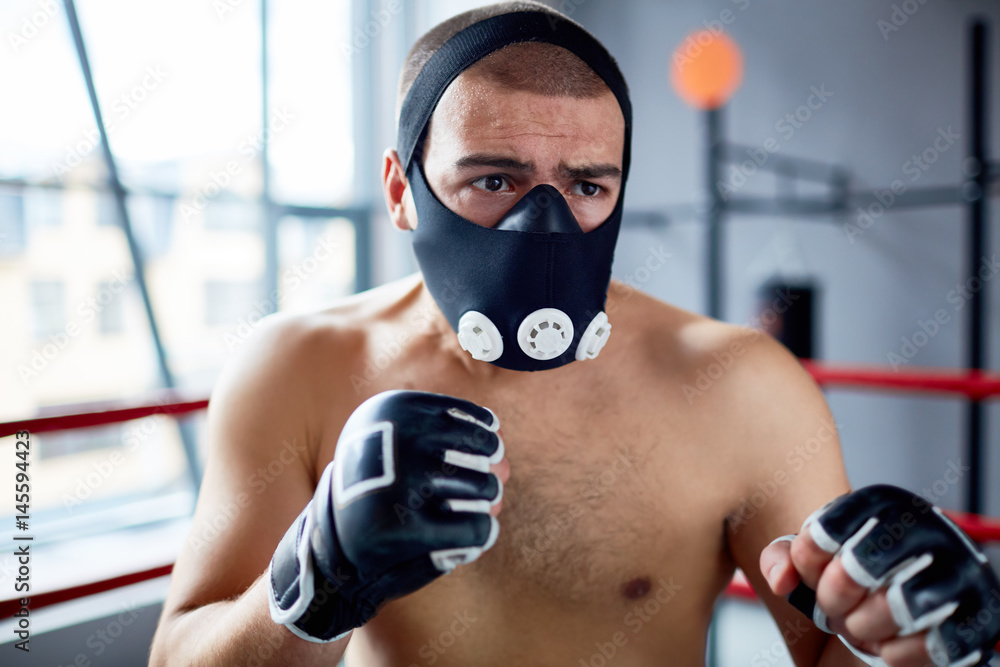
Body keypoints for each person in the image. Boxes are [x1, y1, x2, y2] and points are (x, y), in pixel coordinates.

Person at [149, 3, 1000, 666]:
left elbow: (831, 646)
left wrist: (911, 633)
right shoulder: (298, 366)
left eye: (588, 186)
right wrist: (316, 579)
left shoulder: (742, 384)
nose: (544, 223)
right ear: (401, 189)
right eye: (494, 179)